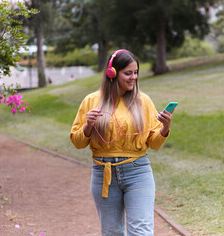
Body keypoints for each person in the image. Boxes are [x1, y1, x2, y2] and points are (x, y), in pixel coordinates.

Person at [70, 49, 174, 236]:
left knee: (141, 231)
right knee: (112, 233)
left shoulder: (143, 101)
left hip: (138, 172)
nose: (133, 77)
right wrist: (88, 126)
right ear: (112, 73)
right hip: (104, 174)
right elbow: (77, 142)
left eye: (136, 73)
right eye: (128, 73)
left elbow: (155, 143)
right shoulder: (91, 101)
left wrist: (165, 128)